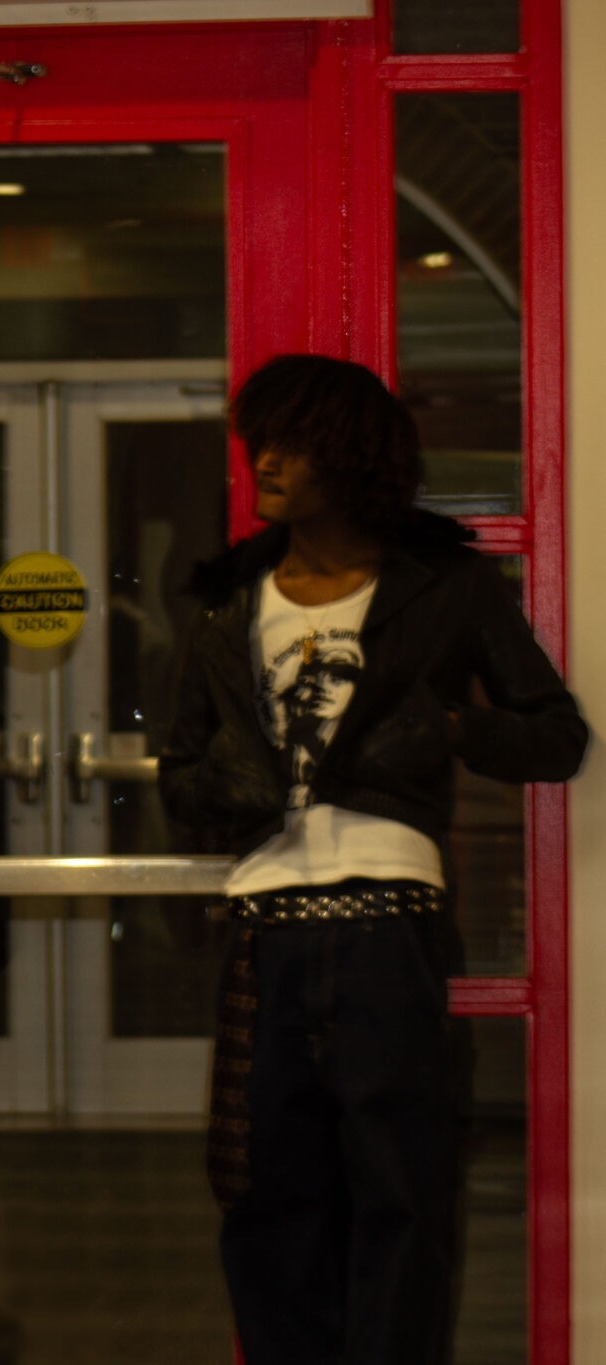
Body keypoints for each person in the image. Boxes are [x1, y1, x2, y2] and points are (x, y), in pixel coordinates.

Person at [159, 354, 588, 1365]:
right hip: (262, 931)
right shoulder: (227, 598)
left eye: (291, 441)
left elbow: (553, 738)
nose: (262, 459)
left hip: (387, 926)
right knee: (263, 1202)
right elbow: (178, 775)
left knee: (401, 1199)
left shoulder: (439, 589)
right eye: (256, 435)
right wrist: (229, 782)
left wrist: (444, 728)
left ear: (348, 459)